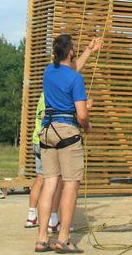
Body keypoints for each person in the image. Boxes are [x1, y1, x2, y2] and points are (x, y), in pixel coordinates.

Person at [25, 38, 102, 234]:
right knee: (70, 185)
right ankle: (63, 237)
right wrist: (87, 127)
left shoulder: (48, 71)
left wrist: (89, 50)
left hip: (47, 131)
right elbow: (82, 115)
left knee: (49, 183)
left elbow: (70, 68)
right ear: (70, 52)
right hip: (67, 130)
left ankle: (42, 237)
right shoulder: (75, 79)